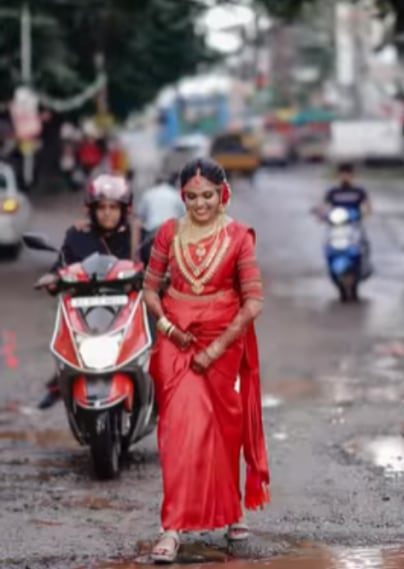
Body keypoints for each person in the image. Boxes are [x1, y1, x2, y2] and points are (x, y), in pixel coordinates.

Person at [142, 157, 270, 562]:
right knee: (177, 430)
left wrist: (215, 349)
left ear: (222, 193)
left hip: (223, 343)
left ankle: (232, 510)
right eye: (193, 196)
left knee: (223, 430)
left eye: (208, 196)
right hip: (175, 343)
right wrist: (169, 329)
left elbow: (253, 302)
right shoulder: (168, 232)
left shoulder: (238, 237)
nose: (200, 204)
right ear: (182, 196)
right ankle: (172, 527)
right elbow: (149, 290)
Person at [34, 174, 140, 409]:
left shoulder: (136, 235)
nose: (107, 213)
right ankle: (60, 383)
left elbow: (155, 262)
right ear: (92, 210)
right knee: (67, 344)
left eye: (114, 207)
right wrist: (52, 279)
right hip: (86, 309)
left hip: (128, 310)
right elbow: (61, 265)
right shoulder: (77, 236)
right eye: (101, 207)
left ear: (124, 210)